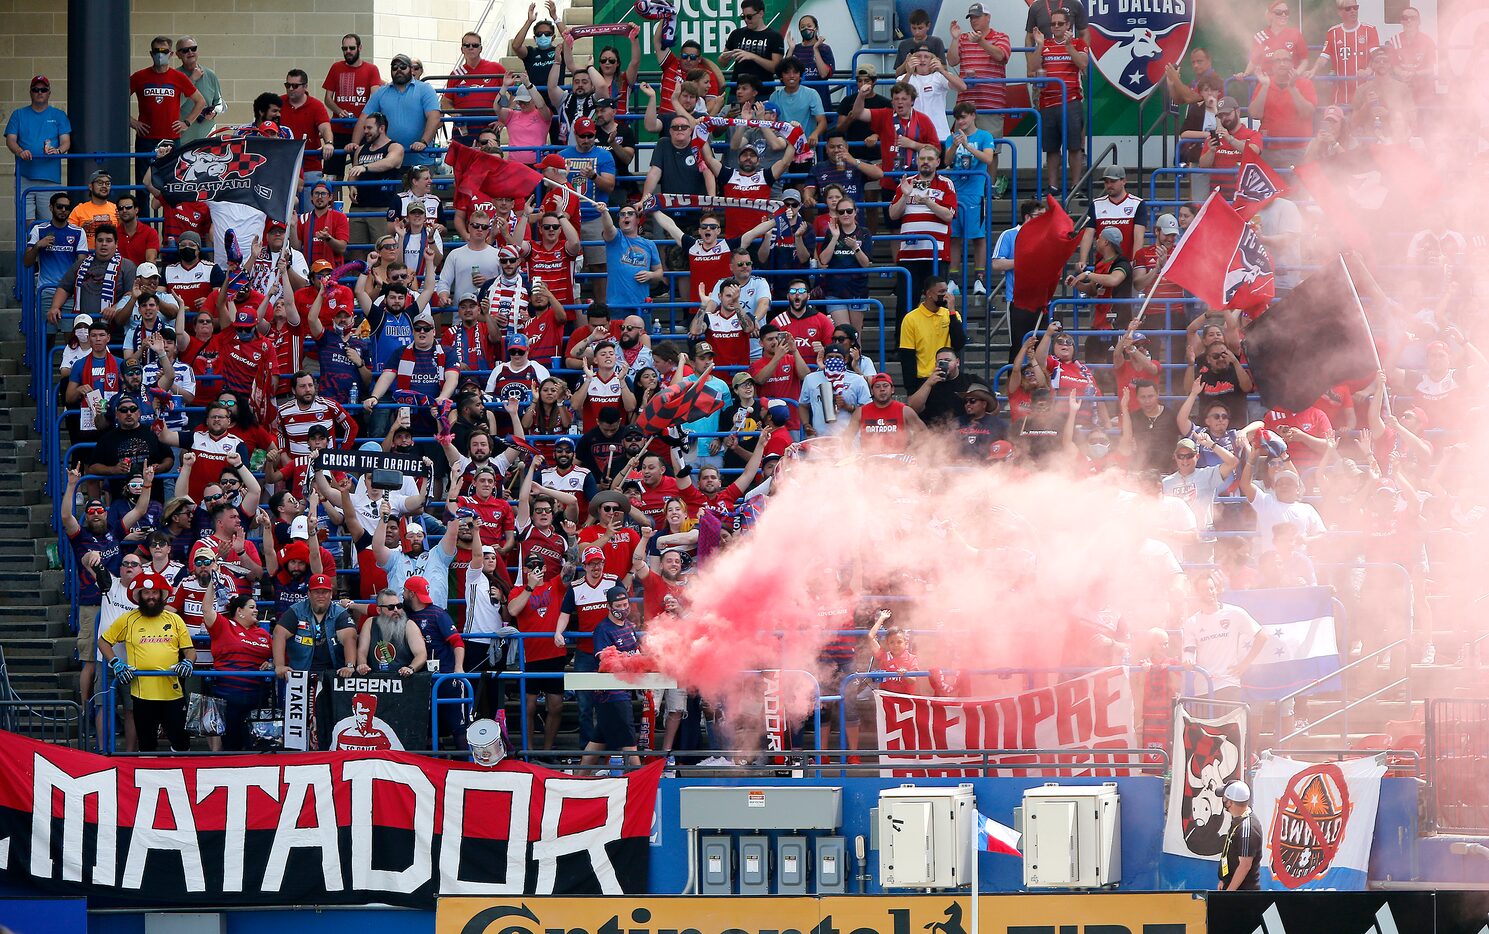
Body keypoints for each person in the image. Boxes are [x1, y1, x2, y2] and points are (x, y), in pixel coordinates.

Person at [99, 572, 197, 753]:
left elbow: (189, 650)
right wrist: (116, 663)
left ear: (161, 595)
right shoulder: (128, 619)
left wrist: (189, 662)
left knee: (181, 744)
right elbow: (103, 641)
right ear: (139, 595)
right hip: (142, 695)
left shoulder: (174, 619)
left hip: (173, 694)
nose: (151, 597)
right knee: (147, 746)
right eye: (146, 593)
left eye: (154, 593)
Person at [581, 585, 644, 771]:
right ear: (609, 607)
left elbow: (637, 654)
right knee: (629, 742)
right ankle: (639, 781)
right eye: (619, 605)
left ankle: (578, 778)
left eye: (626, 604)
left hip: (623, 691)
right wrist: (630, 661)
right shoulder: (602, 629)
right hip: (611, 694)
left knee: (597, 740)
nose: (623, 609)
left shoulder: (630, 627)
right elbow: (604, 661)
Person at [200, 593, 274, 751]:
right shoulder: (224, 625)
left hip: (257, 698)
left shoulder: (263, 634)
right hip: (228, 697)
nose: (256, 610)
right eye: (252, 607)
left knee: (254, 745)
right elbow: (206, 610)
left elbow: (278, 657)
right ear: (239, 611)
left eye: (256, 607)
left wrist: (271, 664)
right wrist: (213, 580)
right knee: (231, 745)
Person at [888, 146, 958, 313]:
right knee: (905, 305)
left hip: (937, 254)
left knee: (938, 304)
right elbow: (893, 214)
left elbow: (949, 215)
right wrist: (905, 195)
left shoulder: (946, 184)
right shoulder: (906, 183)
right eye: (922, 159)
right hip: (908, 255)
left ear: (938, 162)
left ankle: (938, 339)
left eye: (930, 159)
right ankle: (903, 340)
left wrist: (928, 202)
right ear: (917, 161)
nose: (925, 162)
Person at [1181, 569, 1269, 699]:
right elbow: (1189, 649)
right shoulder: (1192, 622)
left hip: (1228, 683)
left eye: (1212, 588)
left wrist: (1244, 664)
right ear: (1197, 593)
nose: (1209, 592)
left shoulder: (1234, 613)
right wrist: (1187, 660)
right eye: (1204, 589)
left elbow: (1262, 636)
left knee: (1230, 720)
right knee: (1205, 720)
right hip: (1203, 687)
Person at [1027, 9, 1088, 194]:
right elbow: (1032, 69)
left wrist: (1069, 47)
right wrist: (1038, 46)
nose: (1055, 27)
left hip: (1071, 100)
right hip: (1047, 103)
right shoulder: (1044, 44)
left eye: (1060, 23)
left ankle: (1075, 185)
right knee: (1052, 148)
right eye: (1053, 24)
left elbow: (1084, 64)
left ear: (1068, 25)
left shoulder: (1078, 42)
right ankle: (1053, 186)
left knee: (1074, 147)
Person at [949, 4, 1011, 184]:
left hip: (991, 104)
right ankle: (962, 188)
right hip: (966, 103)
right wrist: (954, 39)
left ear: (988, 17)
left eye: (977, 16)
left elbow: (1001, 56)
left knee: (990, 149)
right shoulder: (962, 38)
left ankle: (989, 191)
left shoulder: (1000, 37)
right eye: (971, 17)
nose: (974, 20)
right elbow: (952, 60)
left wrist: (981, 42)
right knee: (960, 147)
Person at [129, 36, 206, 181]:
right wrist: (132, 122)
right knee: (143, 182)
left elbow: (200, 101)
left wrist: (187, 123)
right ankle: (143, 205)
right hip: (146, 138)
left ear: (171, 54)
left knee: (171, 180)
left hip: (171, 138)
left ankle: (170, 205)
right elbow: (118, 102)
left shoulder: (178, 77)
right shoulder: (139, 77)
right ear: (151, 53)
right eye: (156, 51)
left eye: (164, 51)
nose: (160, 54)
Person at [944, 102, 997, 293]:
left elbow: (988, 159)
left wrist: (967, 145)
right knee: (954, 236)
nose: (961, 122)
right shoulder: (953, 138)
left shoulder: (984, 136)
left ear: (973, 116)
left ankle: (980, 279)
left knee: (978, 236)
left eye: (964, 117)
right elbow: (947, 161)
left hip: (976, 194)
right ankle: (953, 280)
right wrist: (954, 146)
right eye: (958, 118)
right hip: (956, 193)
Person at [6, 74, 71, 224]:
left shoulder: (59, 115)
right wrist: (20, 151)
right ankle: (29, 248)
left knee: (49, 221)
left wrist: (58, 151)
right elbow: (10, 140)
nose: (40, 92)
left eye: (43, 89)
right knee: (26, 222)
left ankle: (45, 248)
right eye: (36, 89)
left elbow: (66, 141)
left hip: (50, 178)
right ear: (30, 92)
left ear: (49, 92)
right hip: (25, 176)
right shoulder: (19, 114)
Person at [359, 53, 441, 169]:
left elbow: (434, 117)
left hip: (420, 160)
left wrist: (423, 142)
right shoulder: (381, 92)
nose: (399, 70)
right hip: (389, 161)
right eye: (395, 67)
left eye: (403, 67)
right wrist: (355, 144)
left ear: (410, 69)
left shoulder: (425, 89)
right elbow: (364, 118)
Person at [48, 224, 137, 325]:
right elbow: (64, 288)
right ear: (95, 243)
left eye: (108, 241)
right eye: (100, 240)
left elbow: (130, 295)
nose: (104, 244)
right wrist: (55, 307)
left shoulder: (127, 266)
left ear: (116, 244)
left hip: (113, 328)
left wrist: (115, 308)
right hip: (83, 326)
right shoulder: (81, 264)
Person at [344, 112, 405, 250]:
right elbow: (354, 172)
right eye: (364, 128)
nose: (365, 131)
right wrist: (352, 186)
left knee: (382, 250)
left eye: (369, 128)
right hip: (358, 207)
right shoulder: (361, 149)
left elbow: (389, 163)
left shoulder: (395, 147)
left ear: (381, 128)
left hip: (382, 207)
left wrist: (365, 167)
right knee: (355, 250)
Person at [323, 33, 382, 175]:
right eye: (344, 49)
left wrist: (363, 117)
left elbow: (375, 97)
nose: (348, 51)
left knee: (362, 171)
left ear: (360, 48)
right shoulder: (336, 67)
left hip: (363, 130)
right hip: (338, 129)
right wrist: (338, 110)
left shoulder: (371, 69)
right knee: (333, 174)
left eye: (351, 48)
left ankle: (359, 197)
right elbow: (328, 99)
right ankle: (334, 198)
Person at [1306, 0, 1380, 105]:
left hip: (1365, 93)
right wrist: (1313, 70)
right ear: (1340, 12)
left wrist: (1368, 70)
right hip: (1341, 94)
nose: (1353, 11)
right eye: (1348, 8)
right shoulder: (1333, 32)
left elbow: (1377, 56)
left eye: (1355, 7)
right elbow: (1324, 57)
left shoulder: (1369, 30)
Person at [898, 278, 965, 394]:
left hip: (949, 377)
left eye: (946, 291)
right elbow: (907, 355)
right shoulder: (911, 319)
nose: (945, 295)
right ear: (929, 294)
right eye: (941, 292)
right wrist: (911, 389)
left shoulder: (952, 315)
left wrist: (952, 311)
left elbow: (959, 343)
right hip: (924, 379)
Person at [599, 203, 663, 319]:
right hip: (617, 305)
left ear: (638, 220)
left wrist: (651, 275)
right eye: (622, 214)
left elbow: (659, 272)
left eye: (630, 214)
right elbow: (608, 228)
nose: (626, 216)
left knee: (643, 337)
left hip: (642, 304)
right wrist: (604, 212)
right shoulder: (616, 238)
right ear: (619, 221)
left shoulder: (649, 245)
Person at [1252, 50, 1316, 167]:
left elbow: (1307, 113)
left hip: (1299, 149)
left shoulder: (1305, 83)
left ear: (1292, 64)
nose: (1282, 64)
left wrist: (1292, 88)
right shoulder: (1264, 83)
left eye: (1286, 60)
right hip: (1269, 149)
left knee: (1297, 185)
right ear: (1272, 65)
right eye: (1278, 60)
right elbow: (1255, 114)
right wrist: (1265, 86)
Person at [280, 69, 336, 200]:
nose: (290, 89)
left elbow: (325, 127)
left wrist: (328, 143)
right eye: (287, 85)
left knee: (310, 210)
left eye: (295, 85)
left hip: (309, 166)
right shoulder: (278, 103)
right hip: (283, 166)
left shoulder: (316, 106)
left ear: (305, 86)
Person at [24, 193, 85, 312]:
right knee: (47, 330)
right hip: (46, 289)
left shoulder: (78, 232)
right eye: (59, 206)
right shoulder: (39, 229)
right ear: (51, 207)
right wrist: (37, 246)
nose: (63, 210)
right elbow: (27, 262)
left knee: (69, 330)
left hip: (69, 290)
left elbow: (82, 262)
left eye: (67, 207)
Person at [443, 31, 507, 144]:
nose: (471, 48)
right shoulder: (456, 74)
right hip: (464, 128)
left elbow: (513, 95)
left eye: (475, 45)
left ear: (481, 48)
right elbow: (446, 102)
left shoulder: (496, 68)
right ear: (462, 49)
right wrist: (454, 114)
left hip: (489, 127)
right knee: (463, 161)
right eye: (467, 45)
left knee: (489, 160)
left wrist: (504, 120)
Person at [1197, 98, 1263, 200]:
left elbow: (1254, 152)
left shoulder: (1252, 134)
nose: (1224, 118)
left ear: (1238, 111)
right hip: (1218, 195)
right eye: (1221, 115)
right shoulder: (1213, 138)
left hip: (1245, 194)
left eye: (1227, 114)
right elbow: (1203, 165)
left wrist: (1230, 139)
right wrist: (1211, 151)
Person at [851, 372, 925, 454]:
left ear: (892, 389)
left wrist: (910, 450)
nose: (882, 389)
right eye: (877, 386)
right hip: (870, 462)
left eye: (885, 386)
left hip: (899, 462)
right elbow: (846, 438)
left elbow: (924, 433)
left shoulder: (905, 411)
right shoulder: (860, 412)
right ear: (872, 391)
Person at [723, 0, 785, 85]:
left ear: (761, 13)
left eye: (749, 16)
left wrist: (753, 57)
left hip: (763, 89)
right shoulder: (736, 34)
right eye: (743, 16)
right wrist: (725, 57)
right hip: (738, 89)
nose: (746, 20)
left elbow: (776, 68)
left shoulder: (774, 37)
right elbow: (722, 63)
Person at [1218, 781, 1262, 890]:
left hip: (1242, 893)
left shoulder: (1247, 827)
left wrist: (1229, 892)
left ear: (1230, 802)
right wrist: (1224, 879)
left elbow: (1245, 865)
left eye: (1224, 799)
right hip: (1232, 887)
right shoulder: (1239, 820)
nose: (1223, 801)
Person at [789, 15, 836, 109]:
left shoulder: (824, 48)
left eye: (809, 26)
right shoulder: (795, 49)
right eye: (802, 27)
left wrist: (815, 49)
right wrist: (791, 49)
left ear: (816, 28)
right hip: (798, 98)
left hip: (820, 98)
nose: (806, 29)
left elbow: (824, 74)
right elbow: (784, 71)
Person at [67, 169, 120, 251]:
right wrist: (82, 230)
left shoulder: (117, 209)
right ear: (91, 187)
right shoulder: (79, 210)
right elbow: (68, 236)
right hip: (86, 256)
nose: (104, 186)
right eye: (100, 183)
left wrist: (122, 222)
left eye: (107, 183)